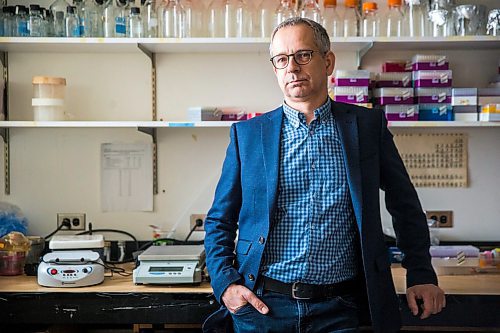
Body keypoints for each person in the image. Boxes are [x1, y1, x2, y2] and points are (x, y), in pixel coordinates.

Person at [203, 17, 445, 333]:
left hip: (342, 310)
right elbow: (219, 220)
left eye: (303, 55)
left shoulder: (367, 128)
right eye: (281, 59)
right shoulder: (248, 136)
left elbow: (405, 205)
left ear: (328, 61)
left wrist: (421, 273)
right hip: (262, 310)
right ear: (275, 69)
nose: (292, 67)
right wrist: (225, 284)